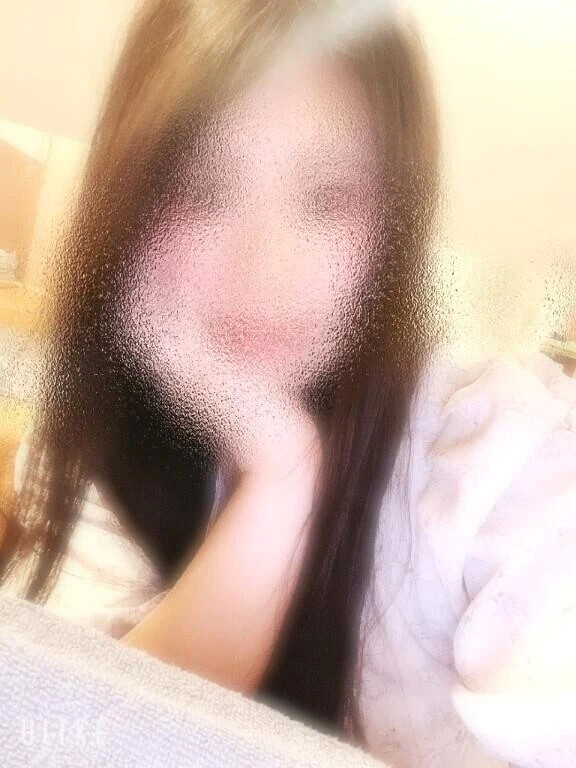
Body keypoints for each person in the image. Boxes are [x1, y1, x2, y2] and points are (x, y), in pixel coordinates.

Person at [2, 2, 576, 767]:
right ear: (131, 207)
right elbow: (67, 748)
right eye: (200, 190)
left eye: (327, 200)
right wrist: (282, 478)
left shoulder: (499, 452)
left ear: (391, 227)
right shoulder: (93, 448)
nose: (263, 267)